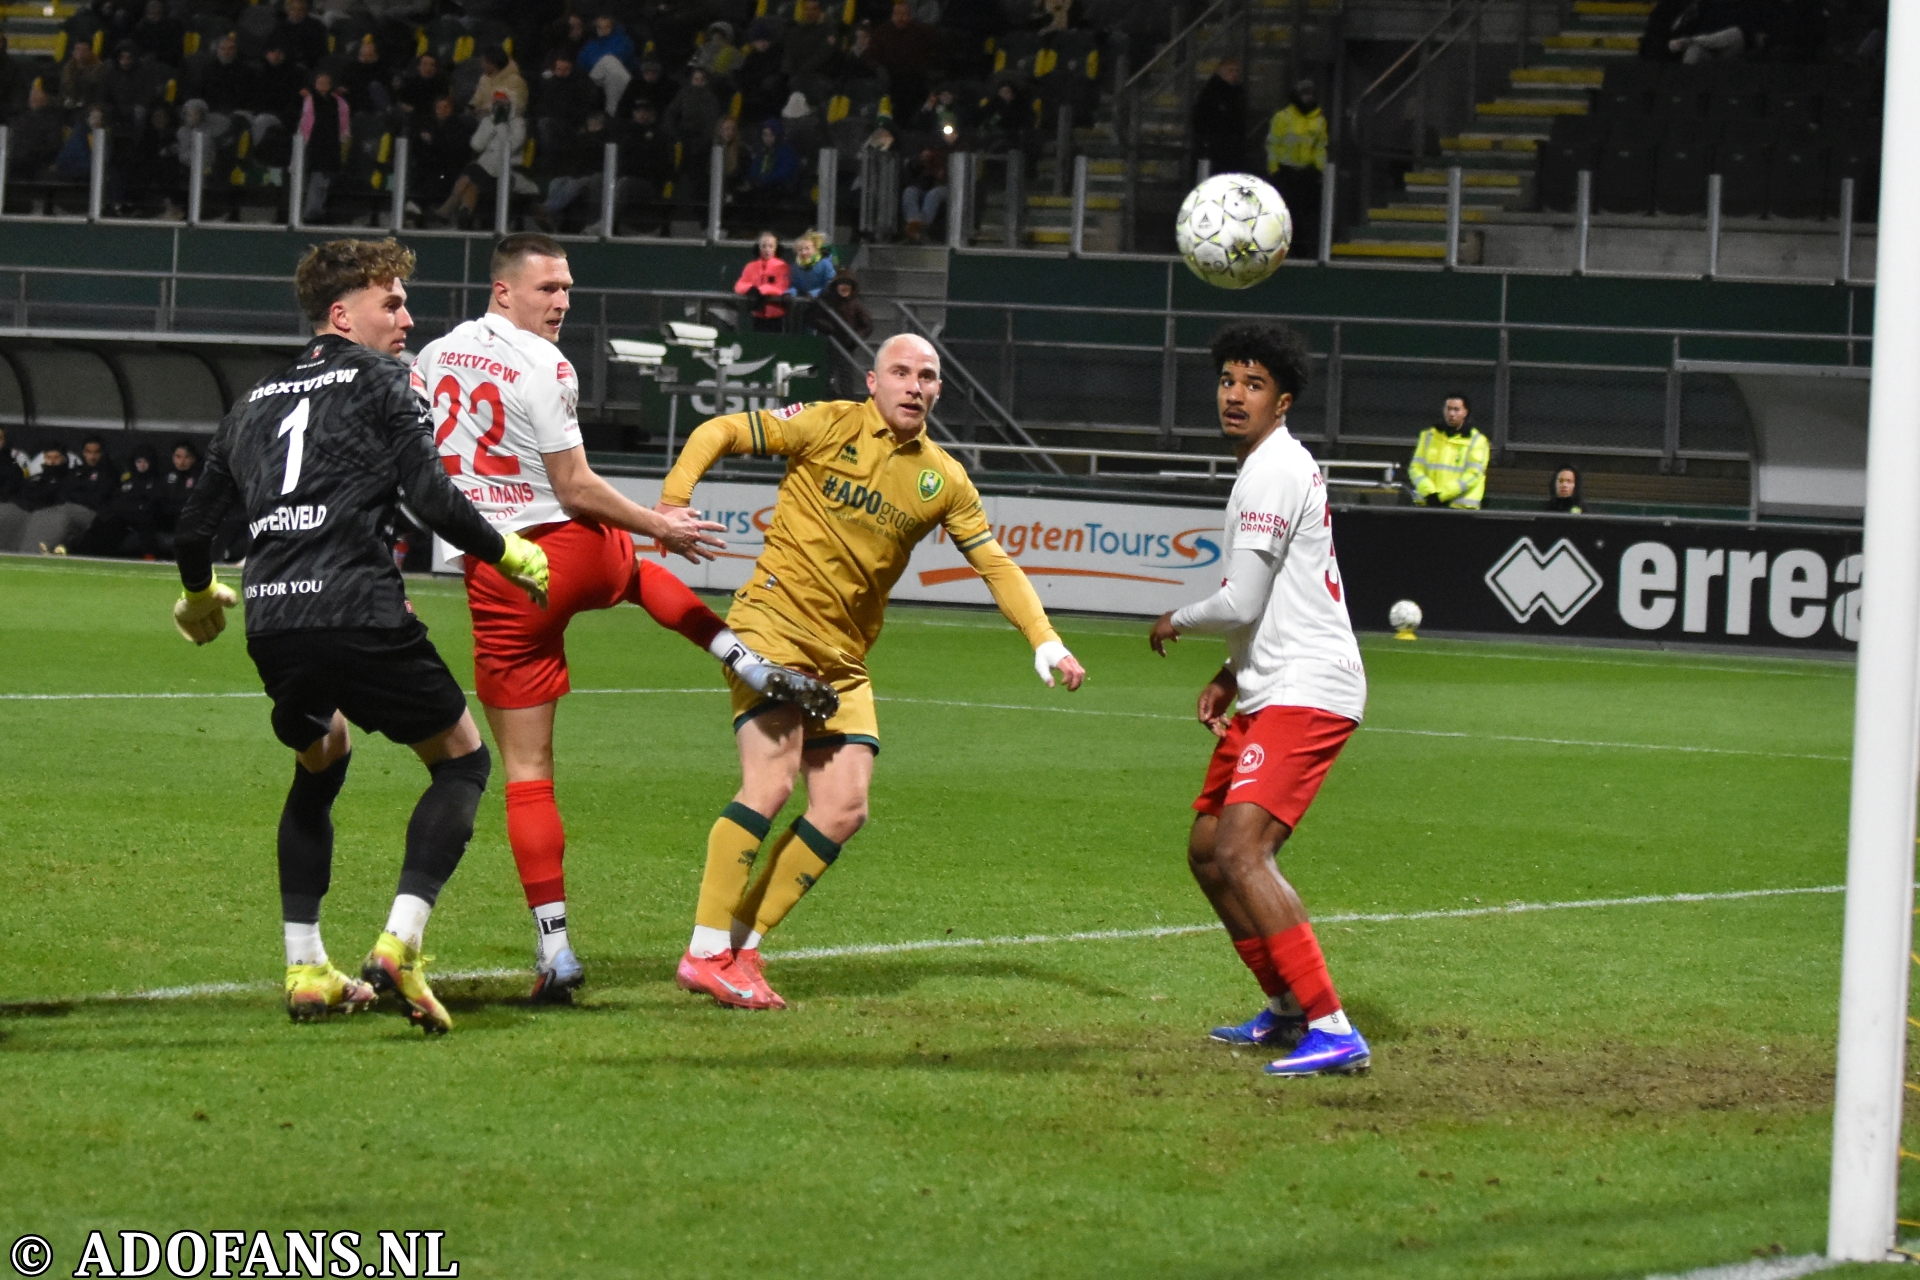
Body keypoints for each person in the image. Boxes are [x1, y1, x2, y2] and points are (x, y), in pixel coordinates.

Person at [416, 234, 838, 1001]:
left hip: (501, 576)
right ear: (504, 292)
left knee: (526, 774)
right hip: (568, 546)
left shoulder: (437, 355)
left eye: (568, 288)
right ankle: (738, 655)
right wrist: (658, 522)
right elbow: (575, 488)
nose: (563, 302)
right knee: (641, 571)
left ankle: (556, 952)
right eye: (548, 288)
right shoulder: (547, 366)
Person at [169, 237, 551, 1033]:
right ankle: (401, 943)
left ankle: (306, 964)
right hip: (358, 607)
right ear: (343, 315)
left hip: (274, 619)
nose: (408, 317)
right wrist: (510, 550)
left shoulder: (253, 402)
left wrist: (201, 593)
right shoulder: (387, 379)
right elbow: (432, 500)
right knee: (464, 760)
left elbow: (194, 528)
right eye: (393, 302)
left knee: (323, 753)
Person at [655, 332, 1088, 1010]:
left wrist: (1044, 639)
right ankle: (705, 951)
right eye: (902, 372)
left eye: (929, 376)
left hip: (843, 660)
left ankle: (739, 948)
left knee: (844, 807)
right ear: (873, 380)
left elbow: (995, 564)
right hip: (772, 626)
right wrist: (674, 499)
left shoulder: (943, 477)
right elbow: (718, 430)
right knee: (769, 782)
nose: (916, 385)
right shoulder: (826, 423)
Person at [1146, 322, 1371, 1079]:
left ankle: (1334, 1027)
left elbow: (1242, 598)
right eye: (1226, 382)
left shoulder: (1275, 468)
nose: (1234, 396)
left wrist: (1175, 619)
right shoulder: (1266, 467)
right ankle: (1285, 1008)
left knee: (1244, 850)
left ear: (1283, 402)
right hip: (1271, 682)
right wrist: (1232, 672)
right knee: (1209, 851)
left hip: (1309, 686)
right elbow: (1275, 601)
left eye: (1253, 385)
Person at [1266, 80, 1327, 253]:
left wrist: (1319, 170)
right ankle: (1285, 250)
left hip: (1307, 173)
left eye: (1310, 94)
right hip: (1286, 172)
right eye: (1304, 94)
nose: (1308, 98)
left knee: (1307, 216)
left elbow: (1320, 147)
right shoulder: (1283, 117)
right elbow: (1273, 145)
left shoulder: (1319, 119)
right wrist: (1274, 170)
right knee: (1287, 214)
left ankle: (1305, 250)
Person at [1408, 393, 1489, 510]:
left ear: (1465, 412)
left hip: (1459, 508)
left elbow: (1473, 474)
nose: (1451, 414)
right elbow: (1415, 468)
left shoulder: (1477, 441)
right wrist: (1429, 493)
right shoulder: (1428, 436)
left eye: (1456, 410)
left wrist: (1441, 496)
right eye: (1449, 409)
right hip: (1428, 504)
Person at [297, 70, 350, 224]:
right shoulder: (311, 100)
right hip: (315, 144)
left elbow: (343, 122)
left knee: (325, 179)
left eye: (326, 83)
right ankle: (311, 211)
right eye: (320, 83)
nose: (323, 86)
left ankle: (317, 209)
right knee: (316, 178)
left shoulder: (338, 102)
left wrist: (342, 138)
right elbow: (306, 121)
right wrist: (306, 140)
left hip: (331, 144)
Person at [1192, 58, 1247, 175]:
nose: (1234, 74)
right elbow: (1200, 120)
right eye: (1230, 70)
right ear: (1220, 72)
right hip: (1217, 150)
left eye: (1236, 71)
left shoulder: (1238, 93)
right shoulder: (1211, 93)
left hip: (1233, 149)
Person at [734, 229, 791, 332]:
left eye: (770, 246)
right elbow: (739, 285)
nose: (767, 249)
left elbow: (782, 287)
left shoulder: (782, 266)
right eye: (764, 246)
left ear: (776, 248)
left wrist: (762, 290)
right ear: (759, 248)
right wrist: (751, 289)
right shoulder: (751, 266)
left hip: (777, 316)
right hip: (757, 315)